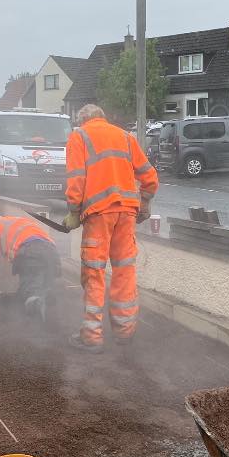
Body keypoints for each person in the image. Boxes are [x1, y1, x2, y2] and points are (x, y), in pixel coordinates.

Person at [62, 104, 159, 352]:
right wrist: (144, 201)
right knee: (124, 271)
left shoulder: (79, 136)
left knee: (94, 272)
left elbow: (76, 178)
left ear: (83, 120)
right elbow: (150, 177)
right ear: (103, 118)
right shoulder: (125, 137)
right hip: (127, 213)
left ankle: (92, 337)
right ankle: (125, 332)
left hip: (99, 215)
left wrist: (74, 211)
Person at [0, 210, 59, 322]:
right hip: (52, 253)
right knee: (43, 291)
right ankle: (46, 315)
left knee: (29, 295)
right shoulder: (18, 221)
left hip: (31, 251)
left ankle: (35, 315)